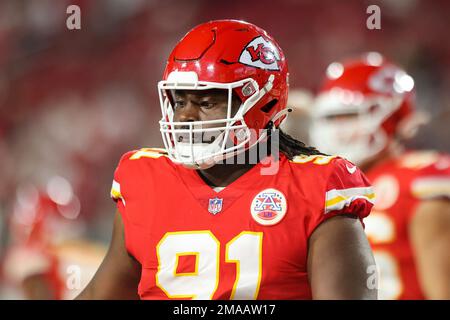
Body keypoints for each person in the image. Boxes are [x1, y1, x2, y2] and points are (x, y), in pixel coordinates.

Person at [77, 20, 376, 300]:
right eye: (179, 101)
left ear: (264, 103)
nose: (185, 116)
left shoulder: (315, 186)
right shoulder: (144, 178)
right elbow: (101, 294)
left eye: (207, 101)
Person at [309, 52, 450, 299]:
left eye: (349, 116)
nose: (337, 129)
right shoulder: (326, 186)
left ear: (393, 114)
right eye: (330, 118)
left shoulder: (419, 183)